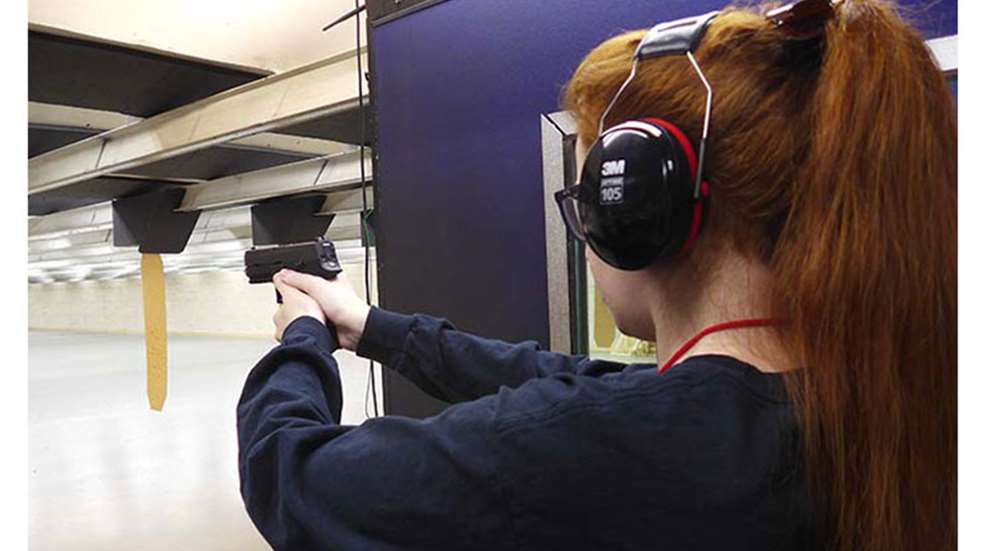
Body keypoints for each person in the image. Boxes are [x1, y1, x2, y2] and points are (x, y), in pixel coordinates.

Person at [237, 0, 956, 549]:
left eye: (587, 199)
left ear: (637, 211)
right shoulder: (858, 390)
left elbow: (293, 478)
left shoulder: (615, 448)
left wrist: (302, 337)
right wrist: (369, 327)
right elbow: (569, 380)